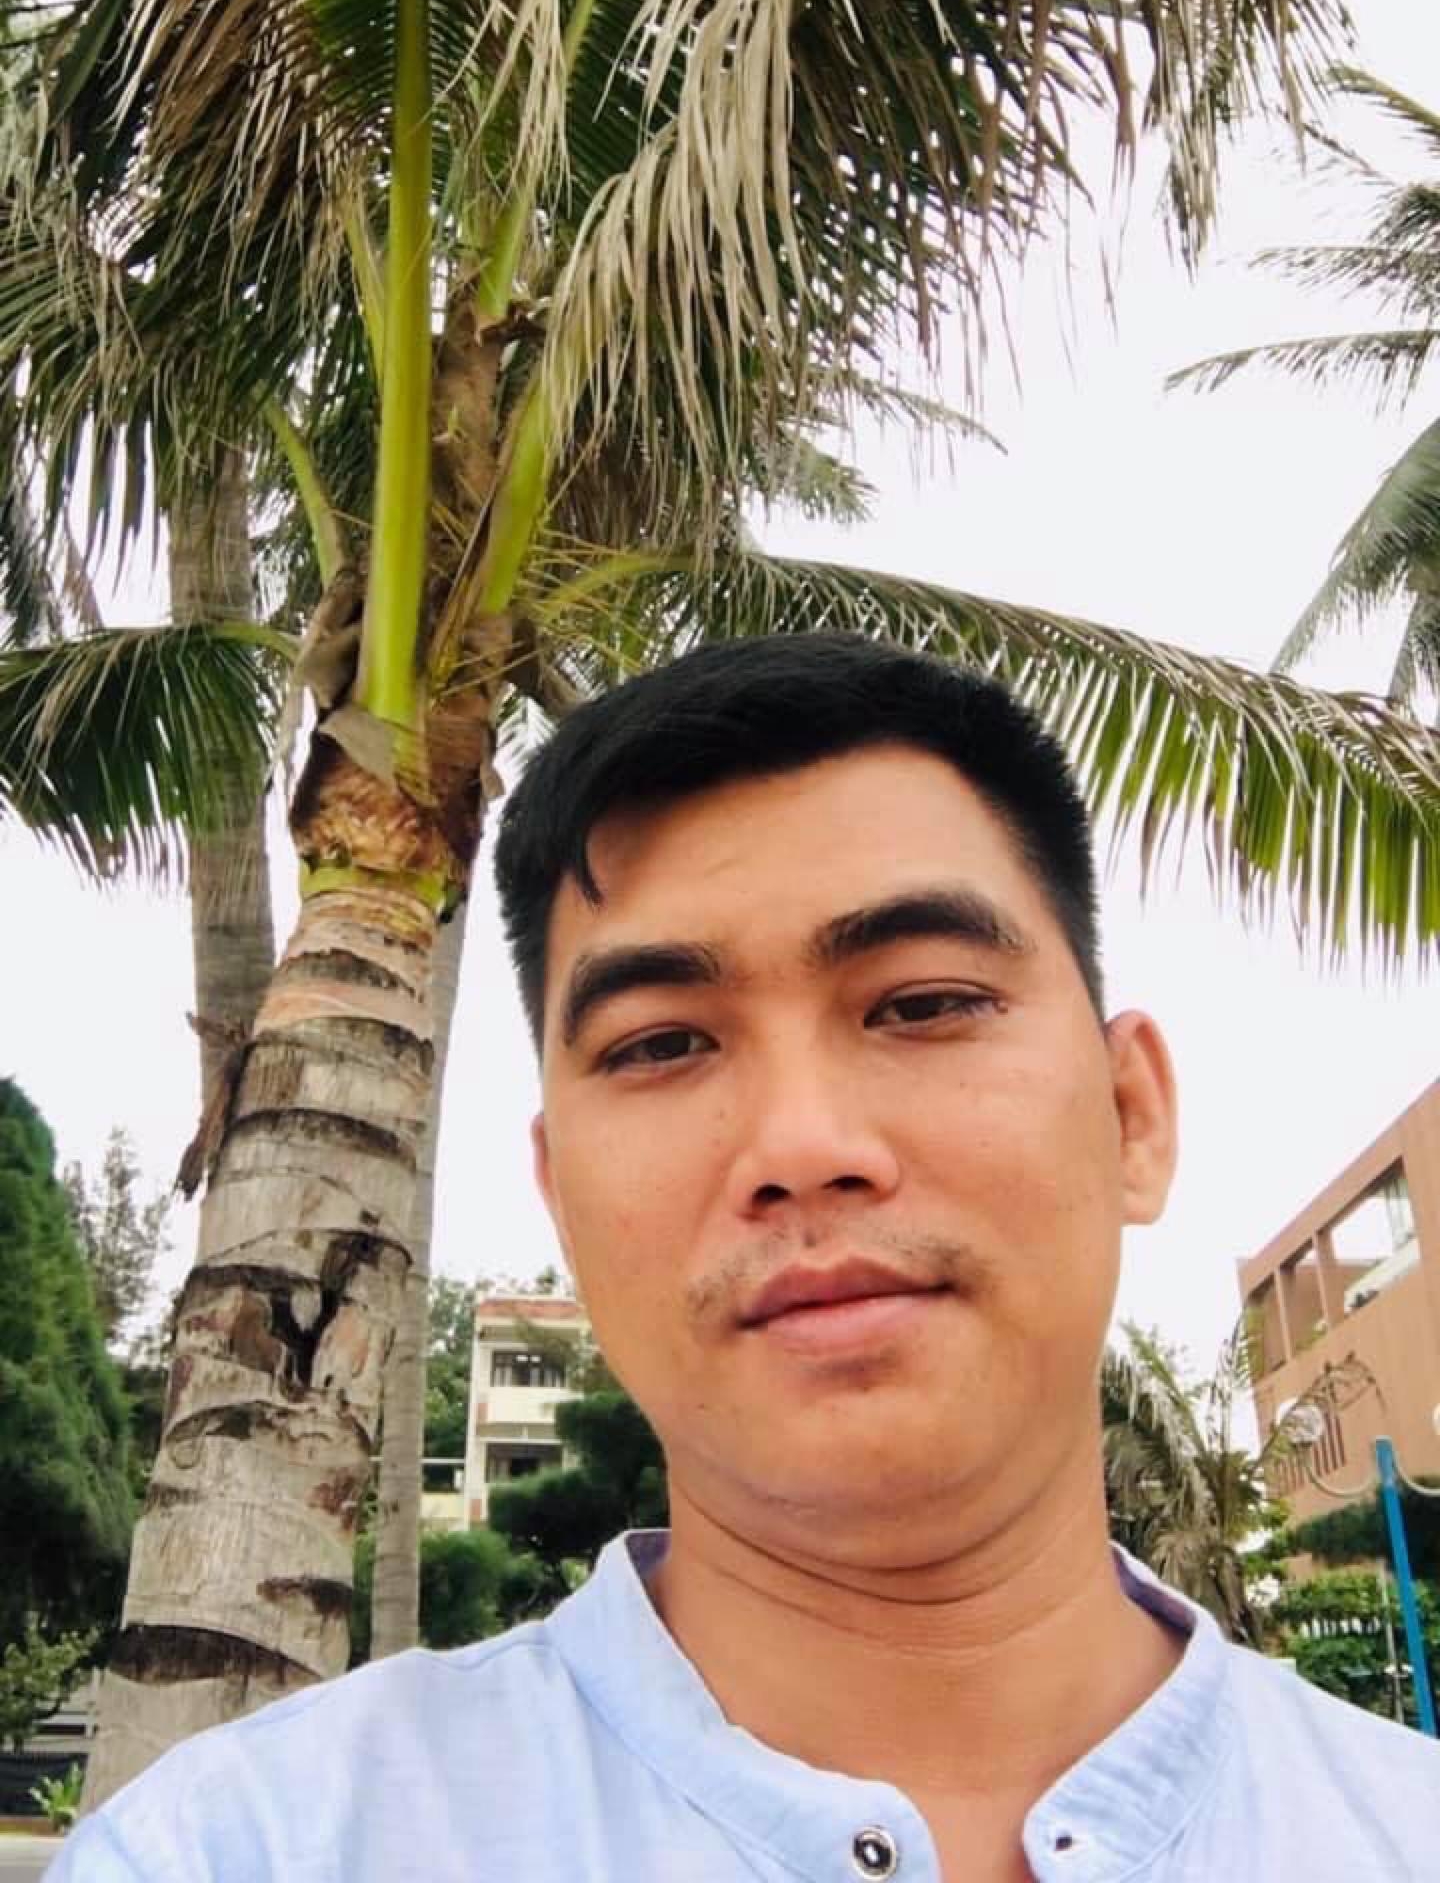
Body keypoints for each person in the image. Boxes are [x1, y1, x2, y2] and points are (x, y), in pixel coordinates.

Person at [51, 634, 1439, 1882]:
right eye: (662, 1042)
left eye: (923, 1003)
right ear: (562, 1198)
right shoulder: (248, 1851)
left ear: (1131, 1116)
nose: (803, 1144)